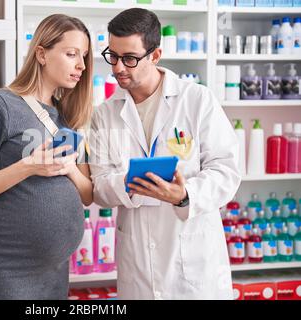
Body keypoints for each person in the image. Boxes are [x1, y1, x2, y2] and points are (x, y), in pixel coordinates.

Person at [88, 8, 241, 300]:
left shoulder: (196, 100)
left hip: (194, 265)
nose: (119, 67)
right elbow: (100, 186)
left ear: (155, 55)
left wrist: (184, 195)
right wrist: (131, 185)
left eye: (130, 59)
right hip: (138, 269)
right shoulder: (104, 114)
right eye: (113, 56)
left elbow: (227, 170)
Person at [0, 14, 94, 300]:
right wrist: (28, 166)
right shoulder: (0, 104)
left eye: (83, 56)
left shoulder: (68, 116)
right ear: (41, 54)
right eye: (71, 54)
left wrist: (69, 168)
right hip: (10, 265)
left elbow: (87, 194)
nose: (81, 66)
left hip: (56, 269)